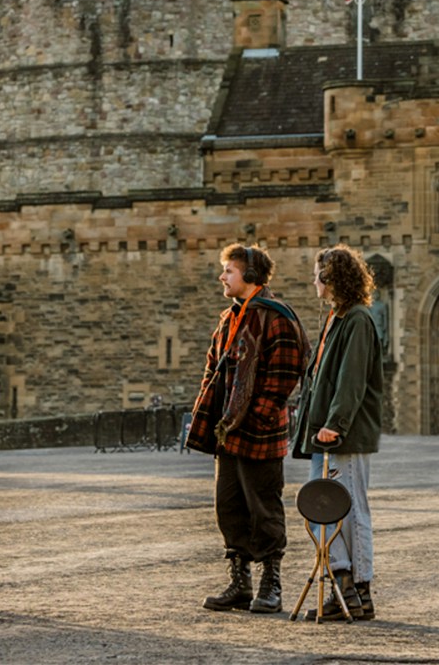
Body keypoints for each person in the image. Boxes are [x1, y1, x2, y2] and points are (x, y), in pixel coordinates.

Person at [185, 243, 308, 615]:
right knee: (229, 506)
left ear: (250, 276)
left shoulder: (277, 317)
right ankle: (240, 583)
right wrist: (211, 417)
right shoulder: (229, 318)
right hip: (227, 432)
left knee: (263, 506)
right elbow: (213, 369)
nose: (222, 277)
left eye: (229, 271)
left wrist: (255, 417)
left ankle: (271, 583)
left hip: (259, 432)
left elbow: (284, 376)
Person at [292, 245, 384, 621]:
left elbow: (351, 380)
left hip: (342, 434)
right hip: (324, 433)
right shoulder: (337, 318)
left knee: (349, 510)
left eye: (318, 275)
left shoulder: (357, 321)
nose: (314, 282)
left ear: (331, 279)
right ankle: (343, 582)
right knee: (323, 511)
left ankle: (357, 588)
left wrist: (336, 423)